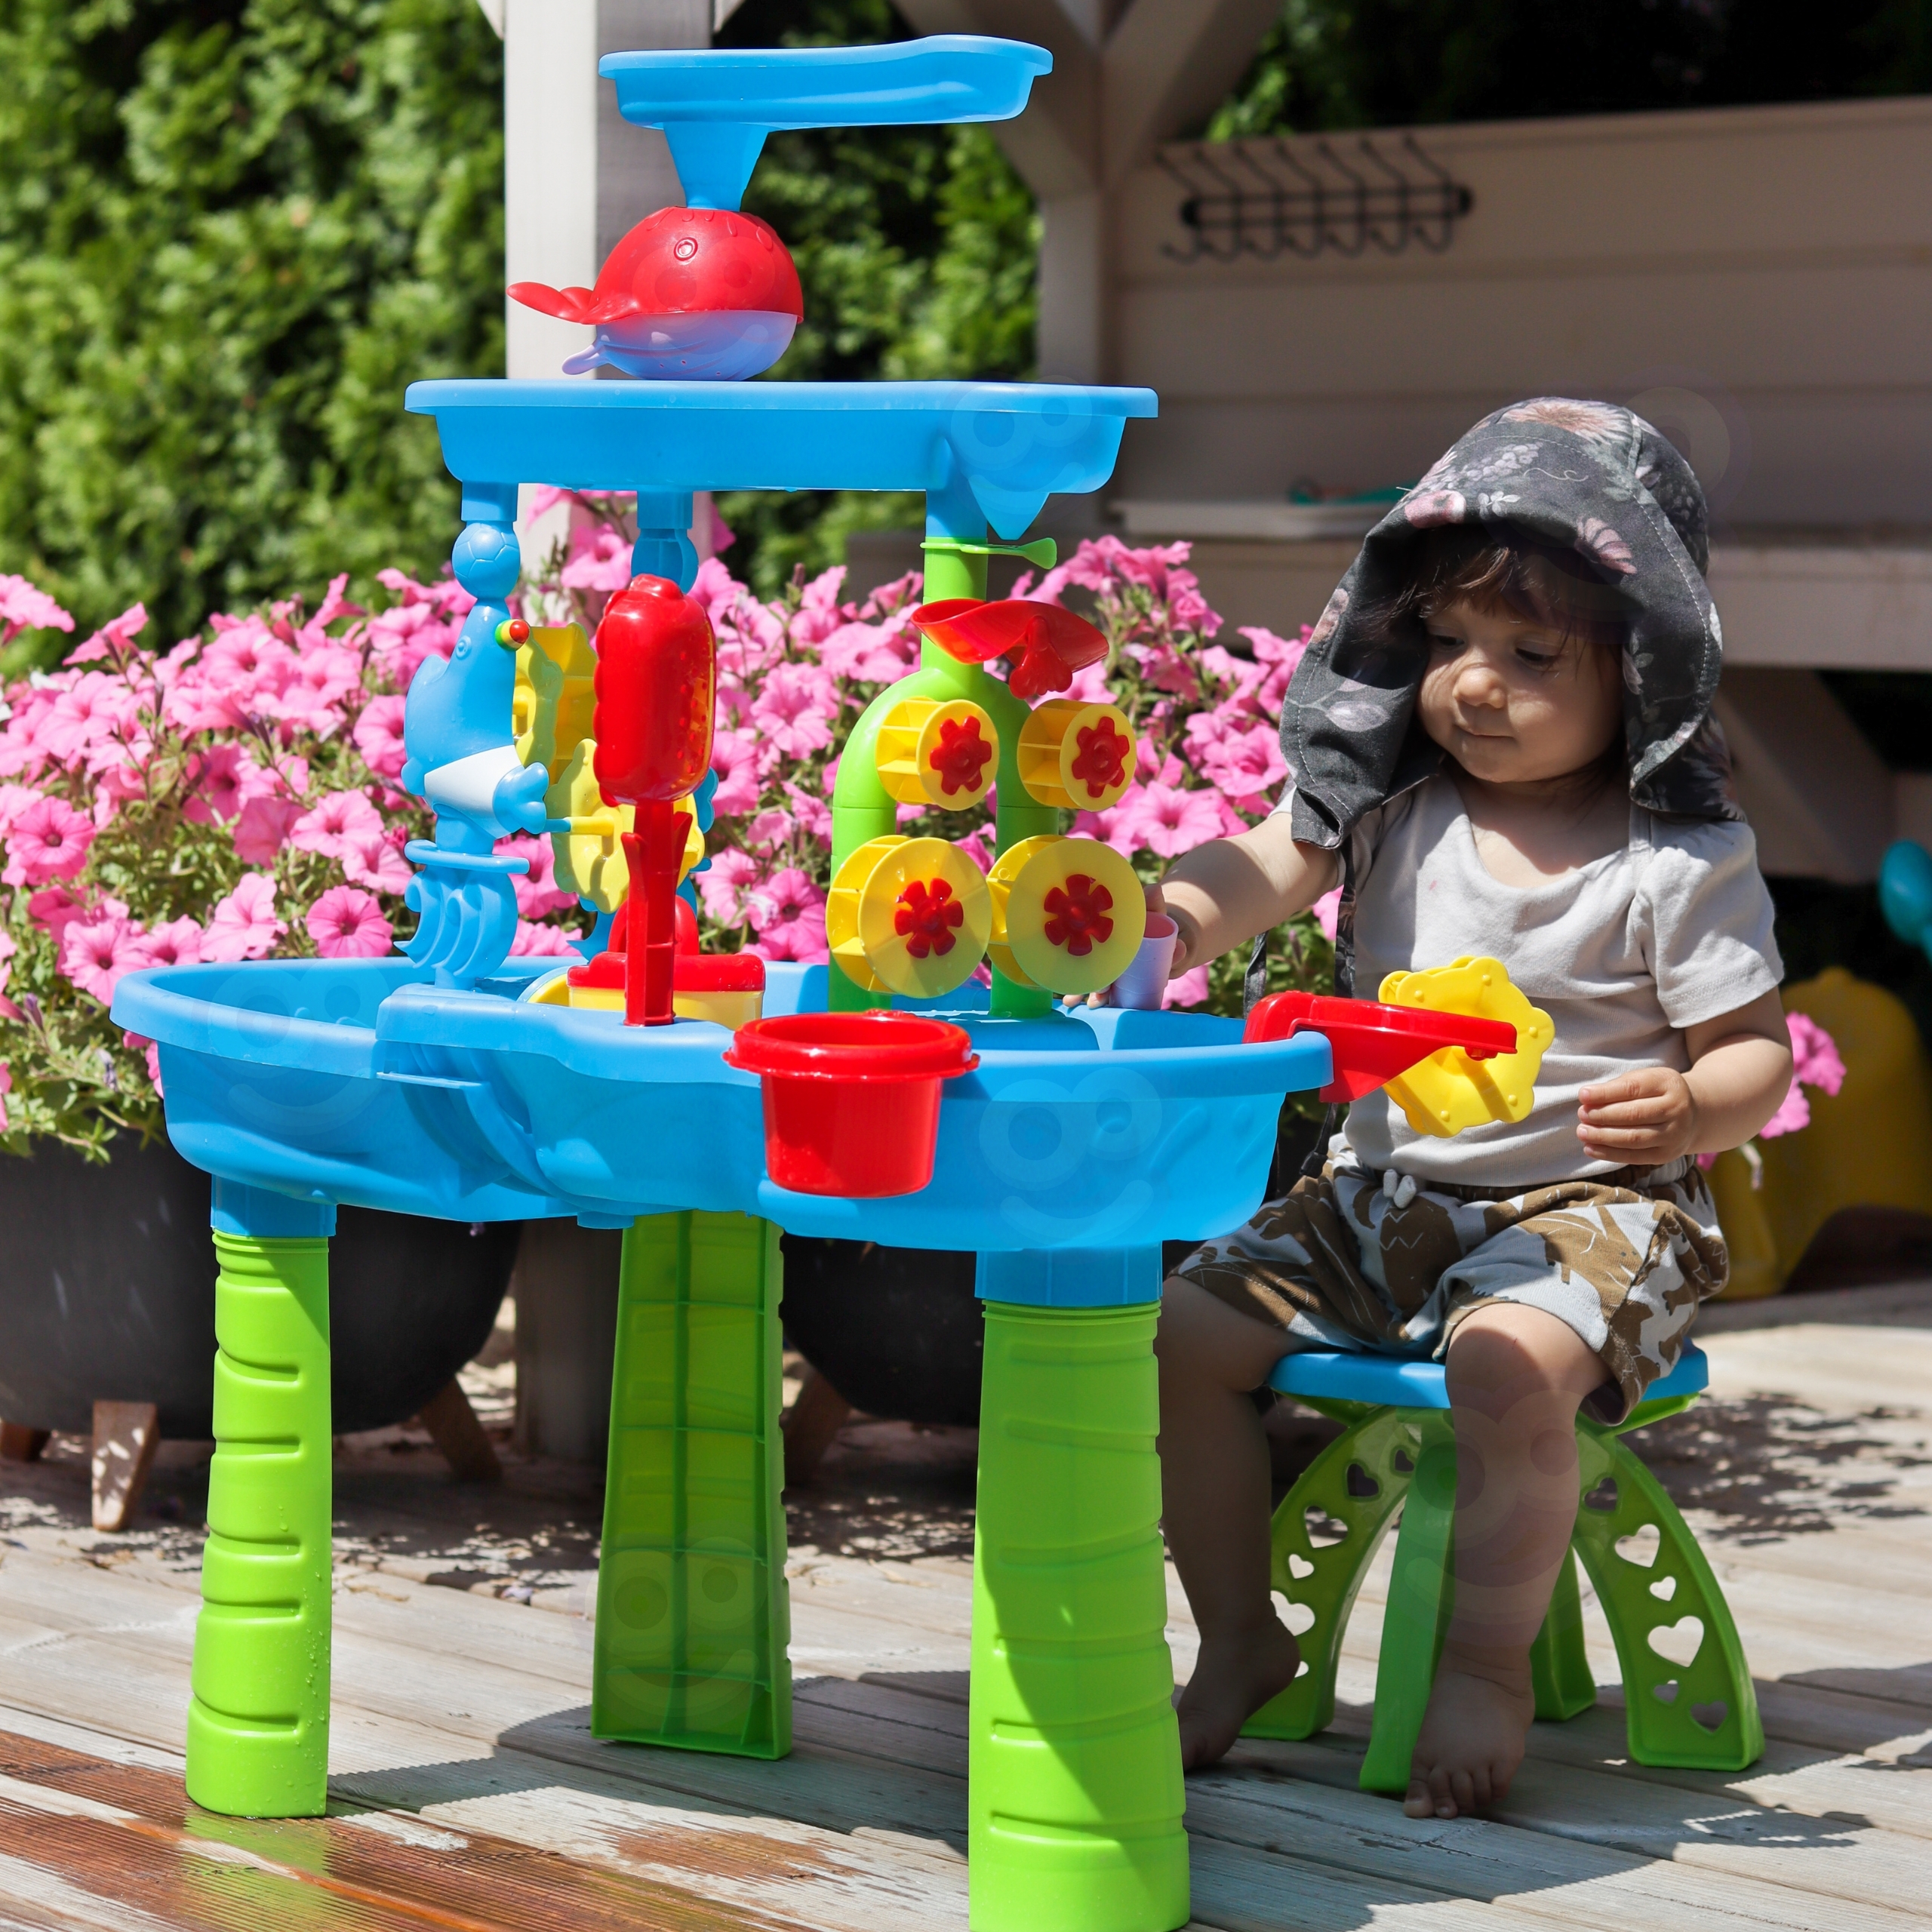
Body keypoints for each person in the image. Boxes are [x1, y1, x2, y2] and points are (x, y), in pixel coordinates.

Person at [1146, 399, 1793, 1820]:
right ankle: (1239, 1637)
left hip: (1597, 1212)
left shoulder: (1673, 858)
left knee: (1505, 1365)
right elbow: (1265, 862)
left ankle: (1487, 1665)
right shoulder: (1393, 805)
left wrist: (1693, 1105)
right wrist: (1172, 917)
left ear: (1643, 666)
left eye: (1531, 655)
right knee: (1181, 1338)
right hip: (1381, 1200)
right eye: (1446, 644)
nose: (1474, 685)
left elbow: (1759, 1054)